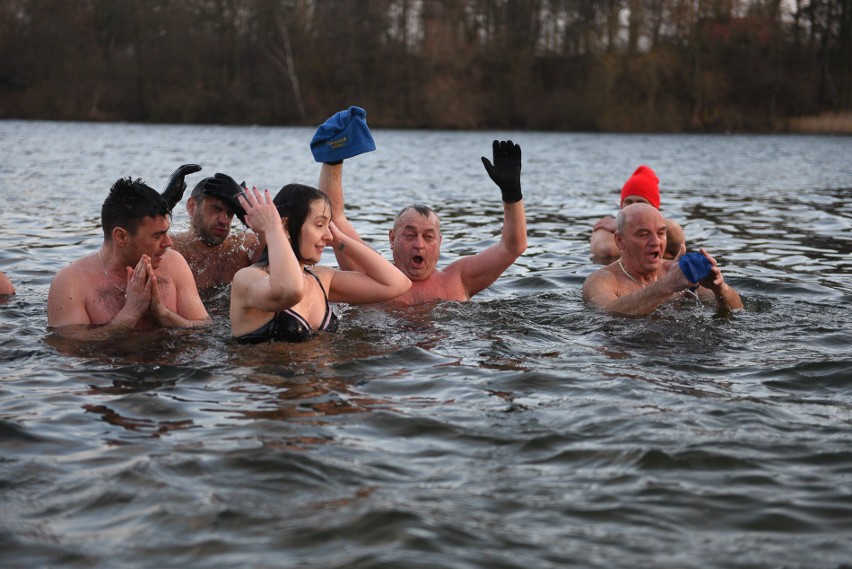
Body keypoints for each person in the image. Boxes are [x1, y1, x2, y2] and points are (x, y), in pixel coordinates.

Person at [320, 140, 528, 306]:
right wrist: (334, 160)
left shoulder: (459, 279)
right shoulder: (370, 275)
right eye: (410, 235)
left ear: (440, 242)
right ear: (392, 238)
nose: (419, 245)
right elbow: (334, 220)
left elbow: (512, 247)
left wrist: (512, 195)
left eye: (428, 237)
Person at [230, 184, 411, 343]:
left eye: (328, 226)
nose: (328, 236)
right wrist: (273, 228)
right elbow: (290, 290)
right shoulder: (248, 278)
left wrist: (340, 240)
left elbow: (397, 284)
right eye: (319, 225)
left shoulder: (322, 279)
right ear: (285, 227)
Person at [47, 177, 210, 336]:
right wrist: (129, 314)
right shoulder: (71, 281)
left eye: (166, 232)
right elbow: (67, 346)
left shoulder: (174, 263)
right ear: (121, 236)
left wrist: (164, 315)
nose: (168, 242)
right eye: (157, 236)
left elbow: (205, 328)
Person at [583, 203, 742, 316]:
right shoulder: (601, 280)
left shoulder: (676, 273)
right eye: (643, 235)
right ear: (620, 241)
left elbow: (738, 311)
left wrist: (720, 288)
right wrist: (667, 285)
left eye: (660, 234)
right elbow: (607, 312)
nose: (656, 242)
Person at [170, 172, 264, 294]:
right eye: (216, 209)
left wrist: (252, 217)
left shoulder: (244, 250)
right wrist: (162, 208)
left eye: (230, 213)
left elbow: (287, 277)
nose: (224, 220)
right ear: (192, 206)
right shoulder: (170, 248)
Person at [590, 165, 685, 261]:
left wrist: (623, 224)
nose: (633, 206)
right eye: (629, 201)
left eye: (641, 202)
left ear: (654, 208)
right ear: (621, 205)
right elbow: (605, 249)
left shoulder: (665, 234)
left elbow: (674, 230)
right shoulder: (606, 225)